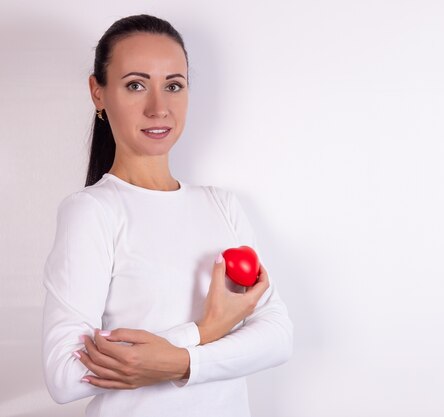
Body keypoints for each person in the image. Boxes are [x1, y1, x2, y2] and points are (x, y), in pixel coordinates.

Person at [41, 14, 294, 417]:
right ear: (98, 93)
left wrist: (180, 361)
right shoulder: (92, 212)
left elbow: (277, 337)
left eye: (173, 85)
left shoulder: (221, 205)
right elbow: (65, 375)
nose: (159, 108)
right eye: (136, 85)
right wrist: (206, 332)